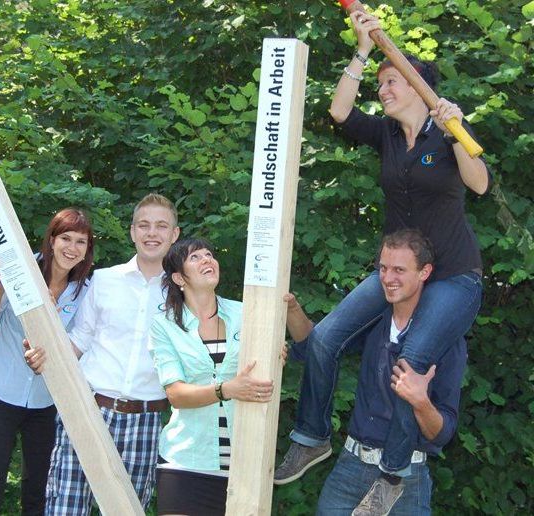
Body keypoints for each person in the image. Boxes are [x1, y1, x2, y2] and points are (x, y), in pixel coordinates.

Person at [274, 8, 490, 512]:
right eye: (383, 83)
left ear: (419, 87)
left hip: (453, 276)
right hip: (399, 271)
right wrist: (365, 49)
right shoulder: (388, 137)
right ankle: (312, 436)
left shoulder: (447, 132)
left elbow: (479, 184)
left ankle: (392, 475)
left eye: (393, 82)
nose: (384, 90)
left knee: (410, 363)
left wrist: (456, 128)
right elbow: (340, 112)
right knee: (325, 338)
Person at [287, 229, 467, 514]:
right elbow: (316, 346)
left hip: (406, 479)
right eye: (382, 268)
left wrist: (420, 400)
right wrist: (292, 309)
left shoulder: (445, 341)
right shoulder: (372, 321)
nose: (387, 278)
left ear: (425, 272)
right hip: (350, 466)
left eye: (399, 270)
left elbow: (442, 433)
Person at [25, 193, 180, 515]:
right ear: (133, 231)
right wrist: (45, 355)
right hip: (88, 408)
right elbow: (79, 340)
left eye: (161, 226)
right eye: (144, 225)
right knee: (64, 508)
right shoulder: (104, 280)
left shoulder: (184, 293)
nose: (152, 233)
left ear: (174, 235)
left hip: (146, 418)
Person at [0, 208, 94, 515]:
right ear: (51, 240)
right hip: (0, 394)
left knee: (38, 496)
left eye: (81, 241)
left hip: (47, 404)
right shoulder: (18, 272)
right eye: (65, 237)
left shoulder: (87, 292)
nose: (71, 247)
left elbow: (80, 349)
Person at [149, 238, 278, 516]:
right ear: (178, 277)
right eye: (195, 257)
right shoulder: (164, 325)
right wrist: (226, 389)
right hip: (186, 462)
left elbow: (266, 368)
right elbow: (176, 395)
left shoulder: (248, 313)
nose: (207, 260)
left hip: (244, 463)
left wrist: (276, 354)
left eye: (209, 255)